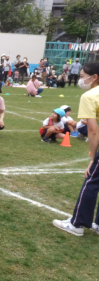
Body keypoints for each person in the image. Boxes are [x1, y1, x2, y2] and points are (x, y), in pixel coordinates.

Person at [53, 63, 99, 236]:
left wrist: (93, 158)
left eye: (82, 76)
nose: (80, 80)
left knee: (91, 180)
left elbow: (93, 130)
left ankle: (77, 224)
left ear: (94, 77)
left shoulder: (90, 96)